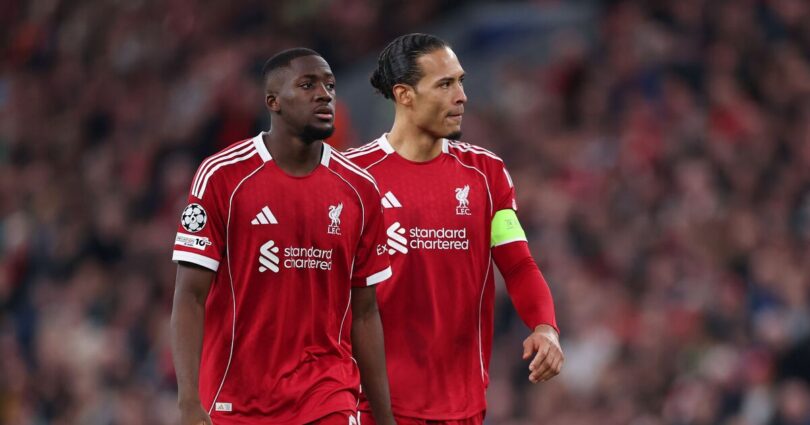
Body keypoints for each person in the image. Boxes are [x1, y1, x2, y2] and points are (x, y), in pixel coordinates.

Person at [345, 34, 564, 424]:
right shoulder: (351, 177)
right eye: (445, 84)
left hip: (462, 406)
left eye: (460, 82)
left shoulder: (486, 174)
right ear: (404, 95)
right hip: (371, 405)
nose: (462, 96)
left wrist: (545, 327)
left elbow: (517, 265)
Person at [170, 48, 395, 425]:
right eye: (307, 85)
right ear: (273, 101)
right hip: (238, 401)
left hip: (328, 395)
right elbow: (190, 296)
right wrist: (189, 402)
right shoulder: (223, 177)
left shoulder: (360, 189)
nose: (324, 94)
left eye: (330, 85)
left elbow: (365, 312)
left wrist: (385, 419)